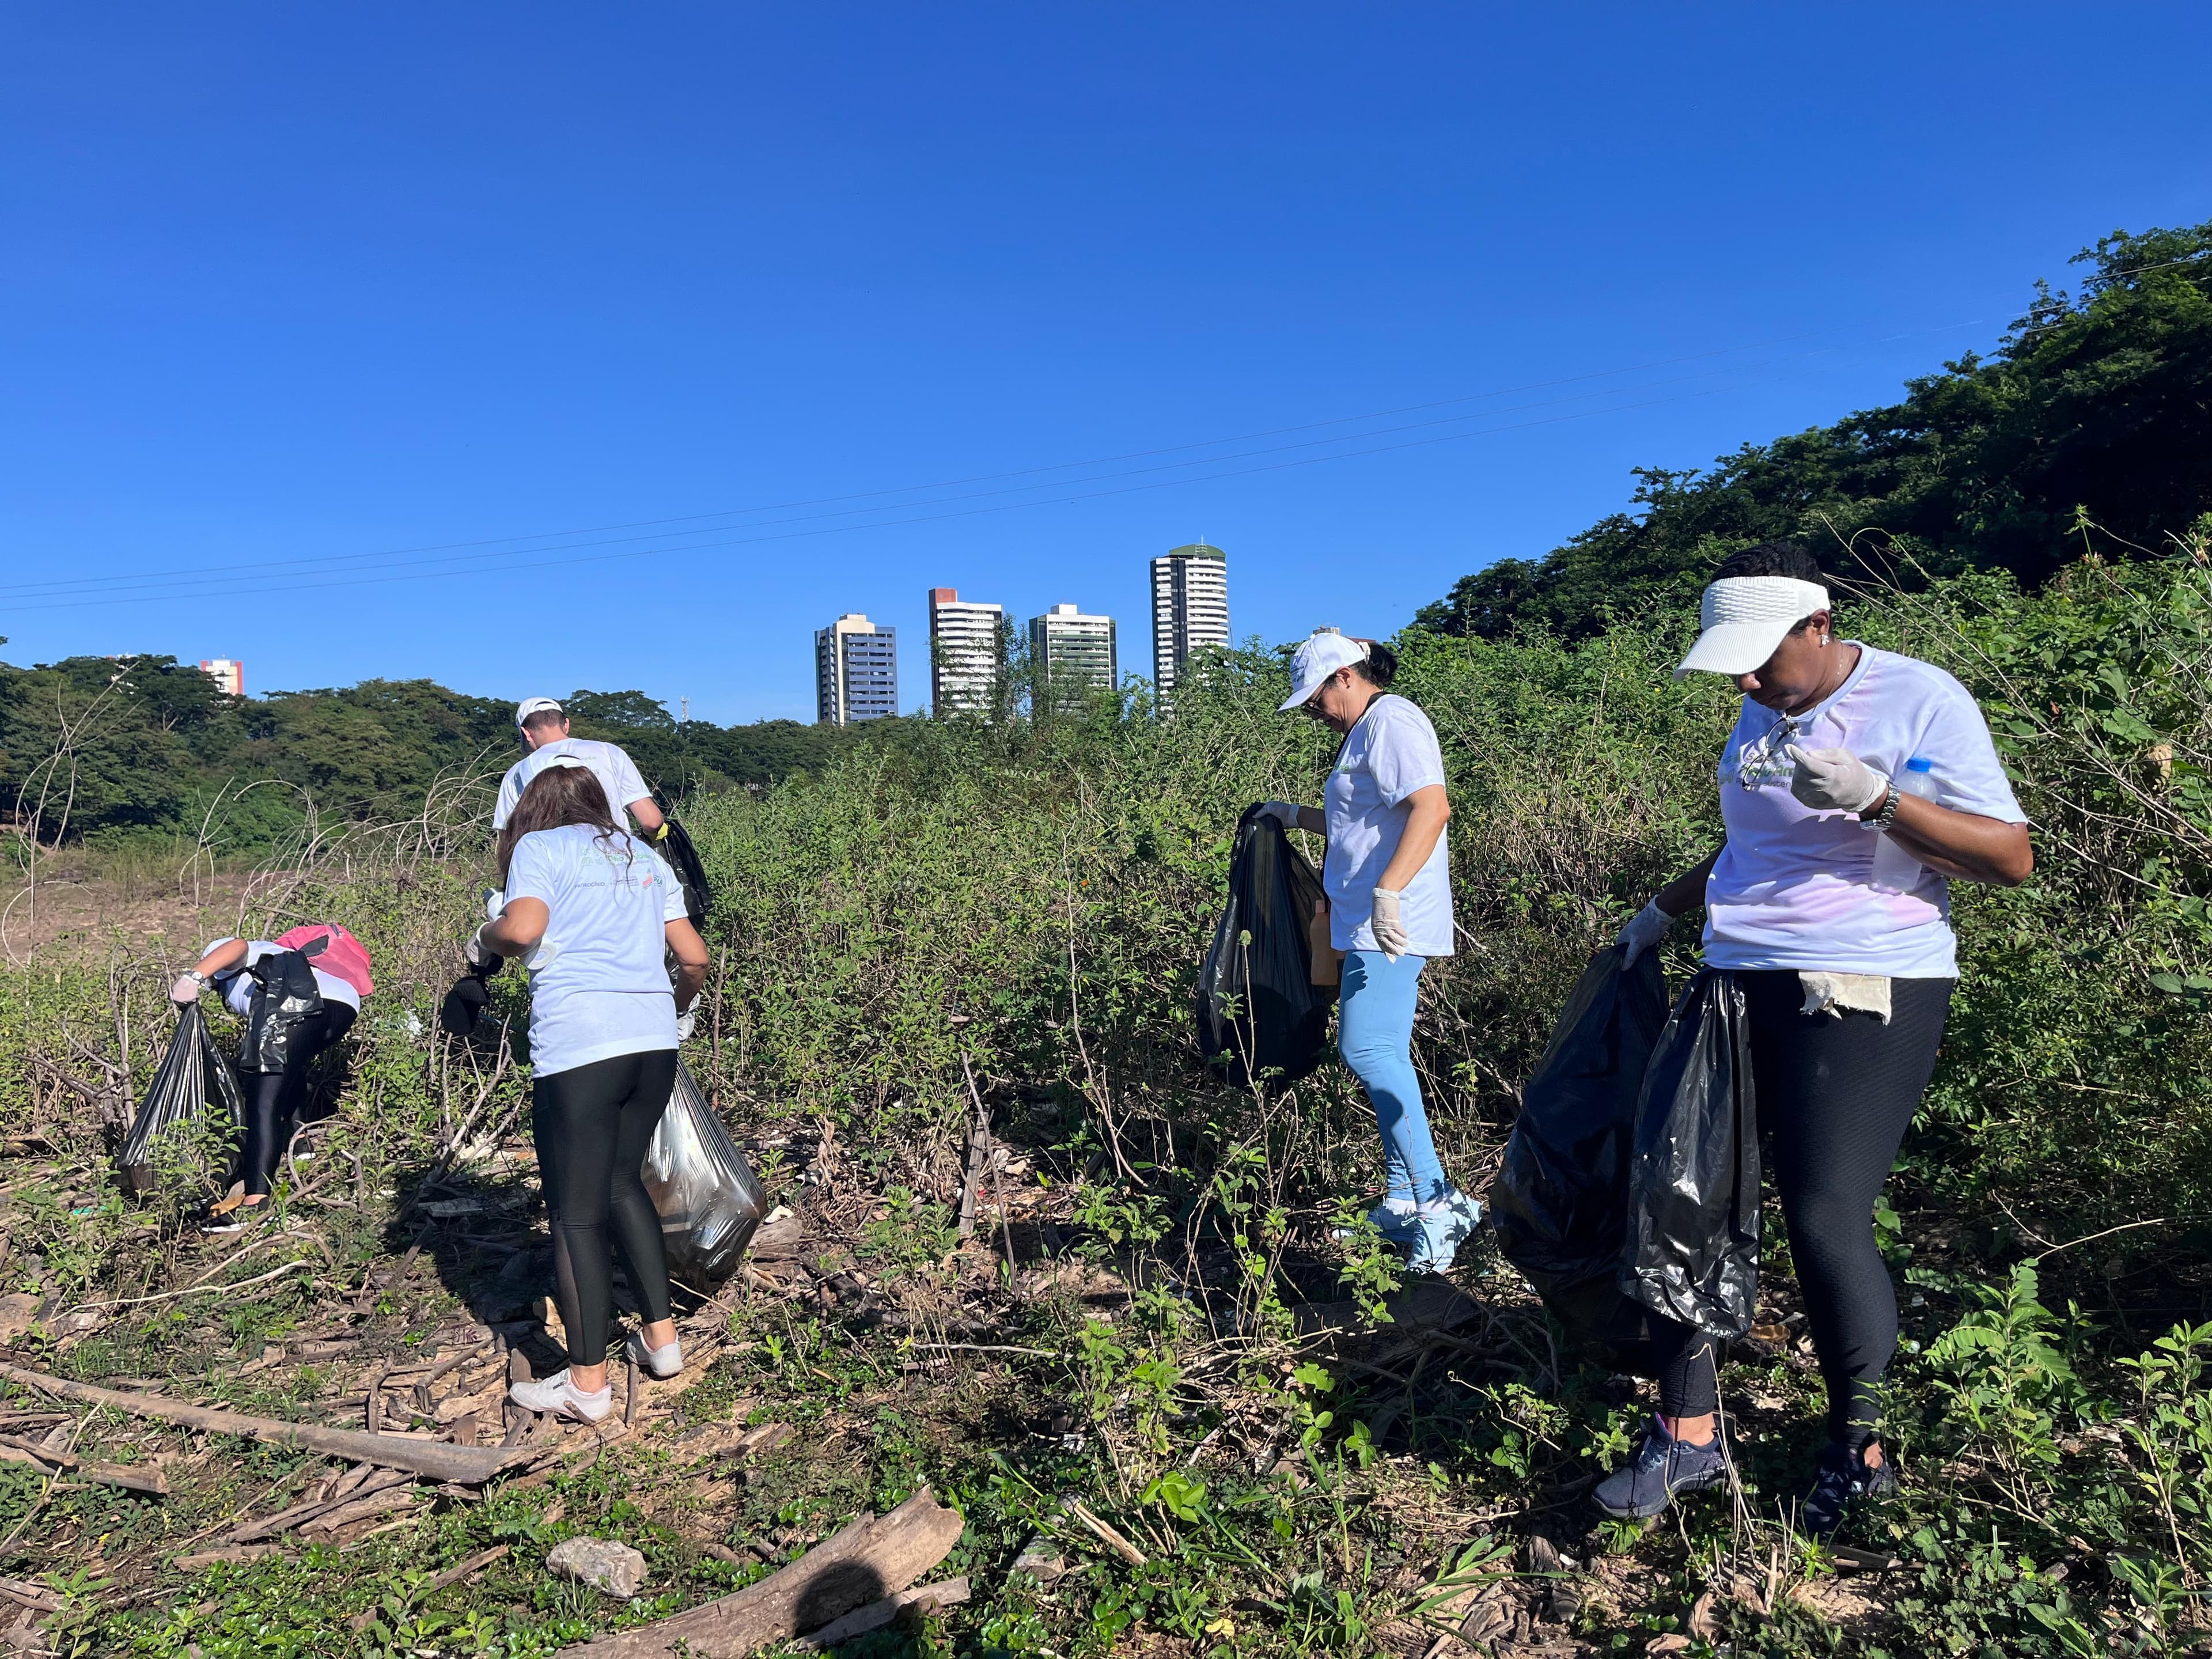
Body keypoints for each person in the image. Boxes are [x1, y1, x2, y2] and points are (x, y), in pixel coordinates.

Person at [1594, 541, 2032, 1537]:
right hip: (1736, 973)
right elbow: (1753, 844)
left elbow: (2010, 858)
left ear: (1819, 626)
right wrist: (1662, 911)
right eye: (1732, 664)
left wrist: (1881, 801)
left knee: (1826, 1216)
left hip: (1865, 979)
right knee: (1684, 1192)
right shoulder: (1761, 706)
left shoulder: (1922, 701)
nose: (1746, 682)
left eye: (1761, 659)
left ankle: (1859, 1448)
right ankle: (1690, 1435)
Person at [472, 757, 710, 1423]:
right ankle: (662, 1345)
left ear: (532, 812)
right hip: (653, 1043)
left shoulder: (540, 849)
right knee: (619, 1182)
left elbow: (522, 932)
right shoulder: (641, 856)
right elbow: (694, 958)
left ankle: (586, 1385)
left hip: (582, 1047)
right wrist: (676, 1009)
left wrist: (480, 940)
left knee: (576, 1214)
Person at [1259, 630, 1482, 1274]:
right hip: (1362, 922)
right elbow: (1361, 820)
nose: (1312, 711)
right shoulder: (1363, 733)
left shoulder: (1394, 720)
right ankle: (1405, 1200)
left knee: (1370, 1049)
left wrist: (1389, 891)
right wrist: (1291, 814)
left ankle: (1440, 1204)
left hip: (1391, 923)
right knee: (1373, 1051)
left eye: (1316, 697)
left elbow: (1431, 808)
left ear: (1348, 677)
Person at [171, 923, 375, 1233]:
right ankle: (301, 1143)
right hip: (342, 1006)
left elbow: (237, 944)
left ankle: (255, 1203)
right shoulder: (282, 957)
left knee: (261, 1099)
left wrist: (194, 976)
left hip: (296, 1003)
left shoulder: (243, 951)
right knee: (287, 1068)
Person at [494, 698, 667, 840]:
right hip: (618, 866)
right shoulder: (609, 752)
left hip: (556, 876)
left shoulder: (517, 773)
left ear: (526, 733)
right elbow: (652, 821)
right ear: (566, 724)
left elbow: (508, 841)